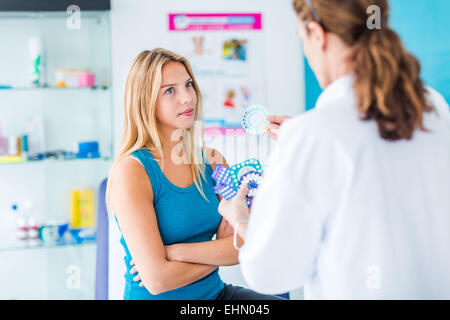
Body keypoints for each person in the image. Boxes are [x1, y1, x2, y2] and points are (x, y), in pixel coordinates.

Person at [218, 0, 450, 299]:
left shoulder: (312, 138)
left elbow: (270, 273)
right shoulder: (433, 107)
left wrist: (240, 219)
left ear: (317, 34)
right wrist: (306, 140)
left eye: (303, 41)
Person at [106, 48, 284, 300]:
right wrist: (216, 252)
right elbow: (157, 280)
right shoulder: (132, 172)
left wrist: (175, 252)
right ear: (144, 100)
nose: (187, 97)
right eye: (170, 90)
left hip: (215, 295)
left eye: (188, 85)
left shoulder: (213, 162)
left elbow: (239, 245)